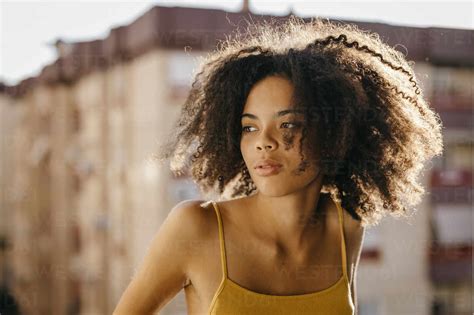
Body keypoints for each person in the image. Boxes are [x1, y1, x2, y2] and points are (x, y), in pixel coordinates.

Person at [113, 16, 443, 315]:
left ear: (333, 133)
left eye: (288, 125)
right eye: (249, 127)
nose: (263, 142)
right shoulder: (196, 228)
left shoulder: (345, 227)